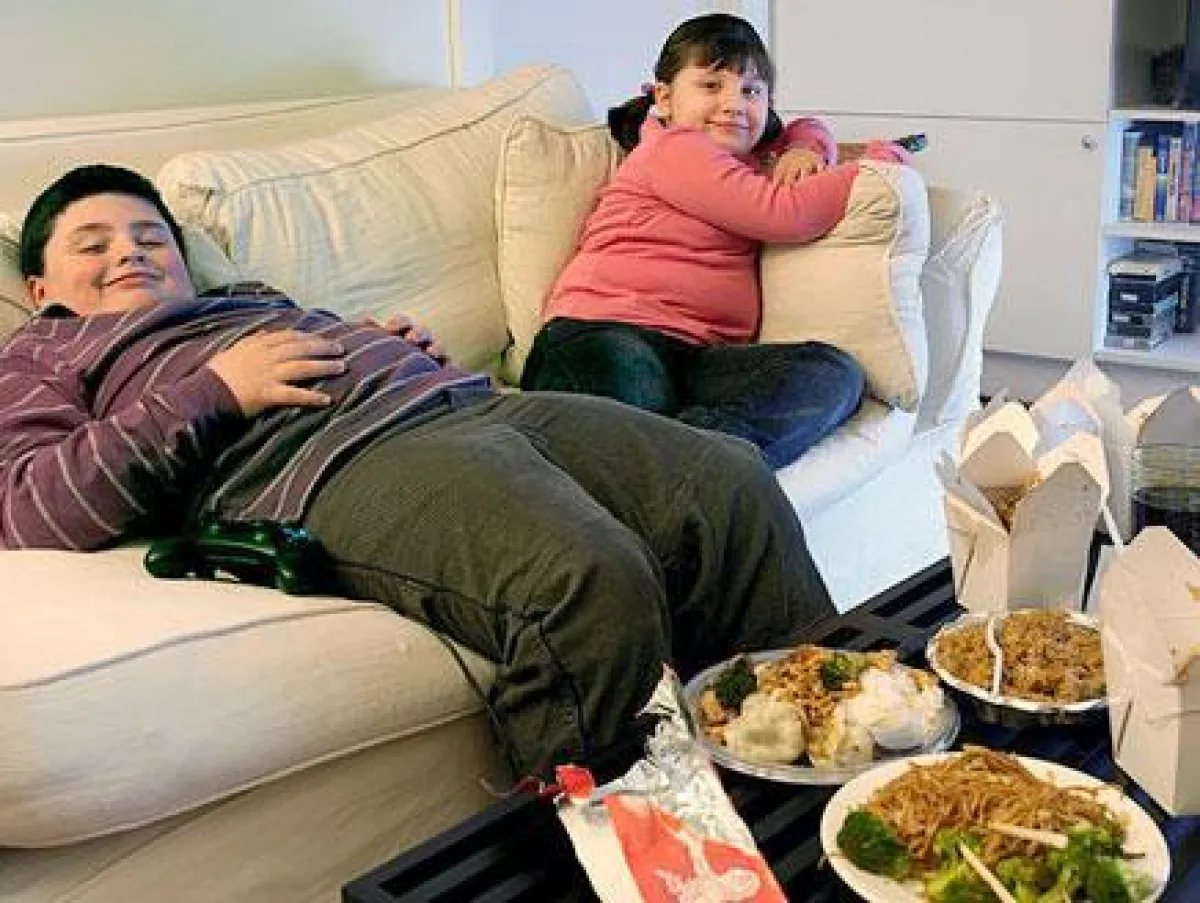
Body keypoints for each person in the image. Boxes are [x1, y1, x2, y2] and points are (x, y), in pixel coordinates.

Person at [0, 163, 837, 780]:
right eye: (94, 244)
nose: (132, 252)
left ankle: (816, 788)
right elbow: (33, 505)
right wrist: (217, 389)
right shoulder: (42, 352)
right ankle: (618, 860)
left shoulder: (244, 301)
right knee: (588, 577)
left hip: (472, 403)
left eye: (152, 237)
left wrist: (380, 346)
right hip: (339, 462)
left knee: (729, 482)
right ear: (41, 286)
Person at [520, 13, 911, 469]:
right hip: (602, 333)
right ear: (664, 98)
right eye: (710, 85)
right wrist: (874, 170)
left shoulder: (751, 159)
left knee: (833, 374)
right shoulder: (672, 148)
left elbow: (804, 126)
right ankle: (680, 467)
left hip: (700, 358)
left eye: (751, 91)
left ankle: (690, 461)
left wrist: (806, 146)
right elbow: (784, 213)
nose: (734, 104)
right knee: (631, 395)